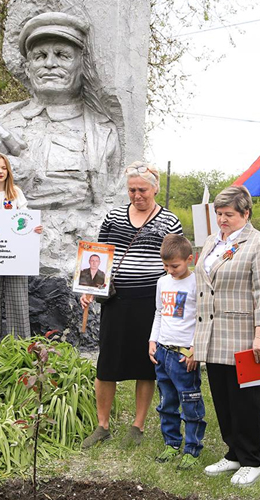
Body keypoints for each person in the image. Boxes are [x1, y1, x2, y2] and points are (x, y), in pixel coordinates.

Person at [0, 11, 121, 210]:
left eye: (62, 55)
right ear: (28, 68)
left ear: (81, 65)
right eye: (40, 56)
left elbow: (108, 203)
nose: (49, 64)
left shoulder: (103, 134)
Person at [80, 162, 183, 449]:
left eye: (143, 190)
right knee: (107, 363)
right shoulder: (113, 217)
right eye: (132, 190)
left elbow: (176, 263)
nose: (137, 195)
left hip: (150, 302)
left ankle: (137, 425)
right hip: (116, 300)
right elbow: (98, 256)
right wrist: (88, 291)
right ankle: (102, 425)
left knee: (144, 365)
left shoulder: (169, 221)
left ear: (155, 189)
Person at [193, 185, 260, 486]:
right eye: (218, 214)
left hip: (244, 334)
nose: (222, 219)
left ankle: (251, 460)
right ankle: (233, 453)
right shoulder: (210, 243)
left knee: (246, 400)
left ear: (245, 213)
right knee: (222, 397)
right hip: (213, 334)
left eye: (229, 214)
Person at [148, 234, 205, 471]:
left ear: (189, 259)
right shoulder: (163, 282)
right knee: (166, 402)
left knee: (190, 403)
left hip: (184, 357)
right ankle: (172, 443)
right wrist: (153, 339)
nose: (170, 270)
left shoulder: (197, 284)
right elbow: (159, 312)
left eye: (175, 266)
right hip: (163, 352)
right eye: (165, 266)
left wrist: (195, 349)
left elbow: (202, 319)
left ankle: (192, 448)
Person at [0, 152, 42, 348]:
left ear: (8, 171)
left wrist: (34, 228)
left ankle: (20, 350)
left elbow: (26, 220)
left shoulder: (16, 193)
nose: (0, 171)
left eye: (3, 168)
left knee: (18, 305)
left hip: (16, 259)